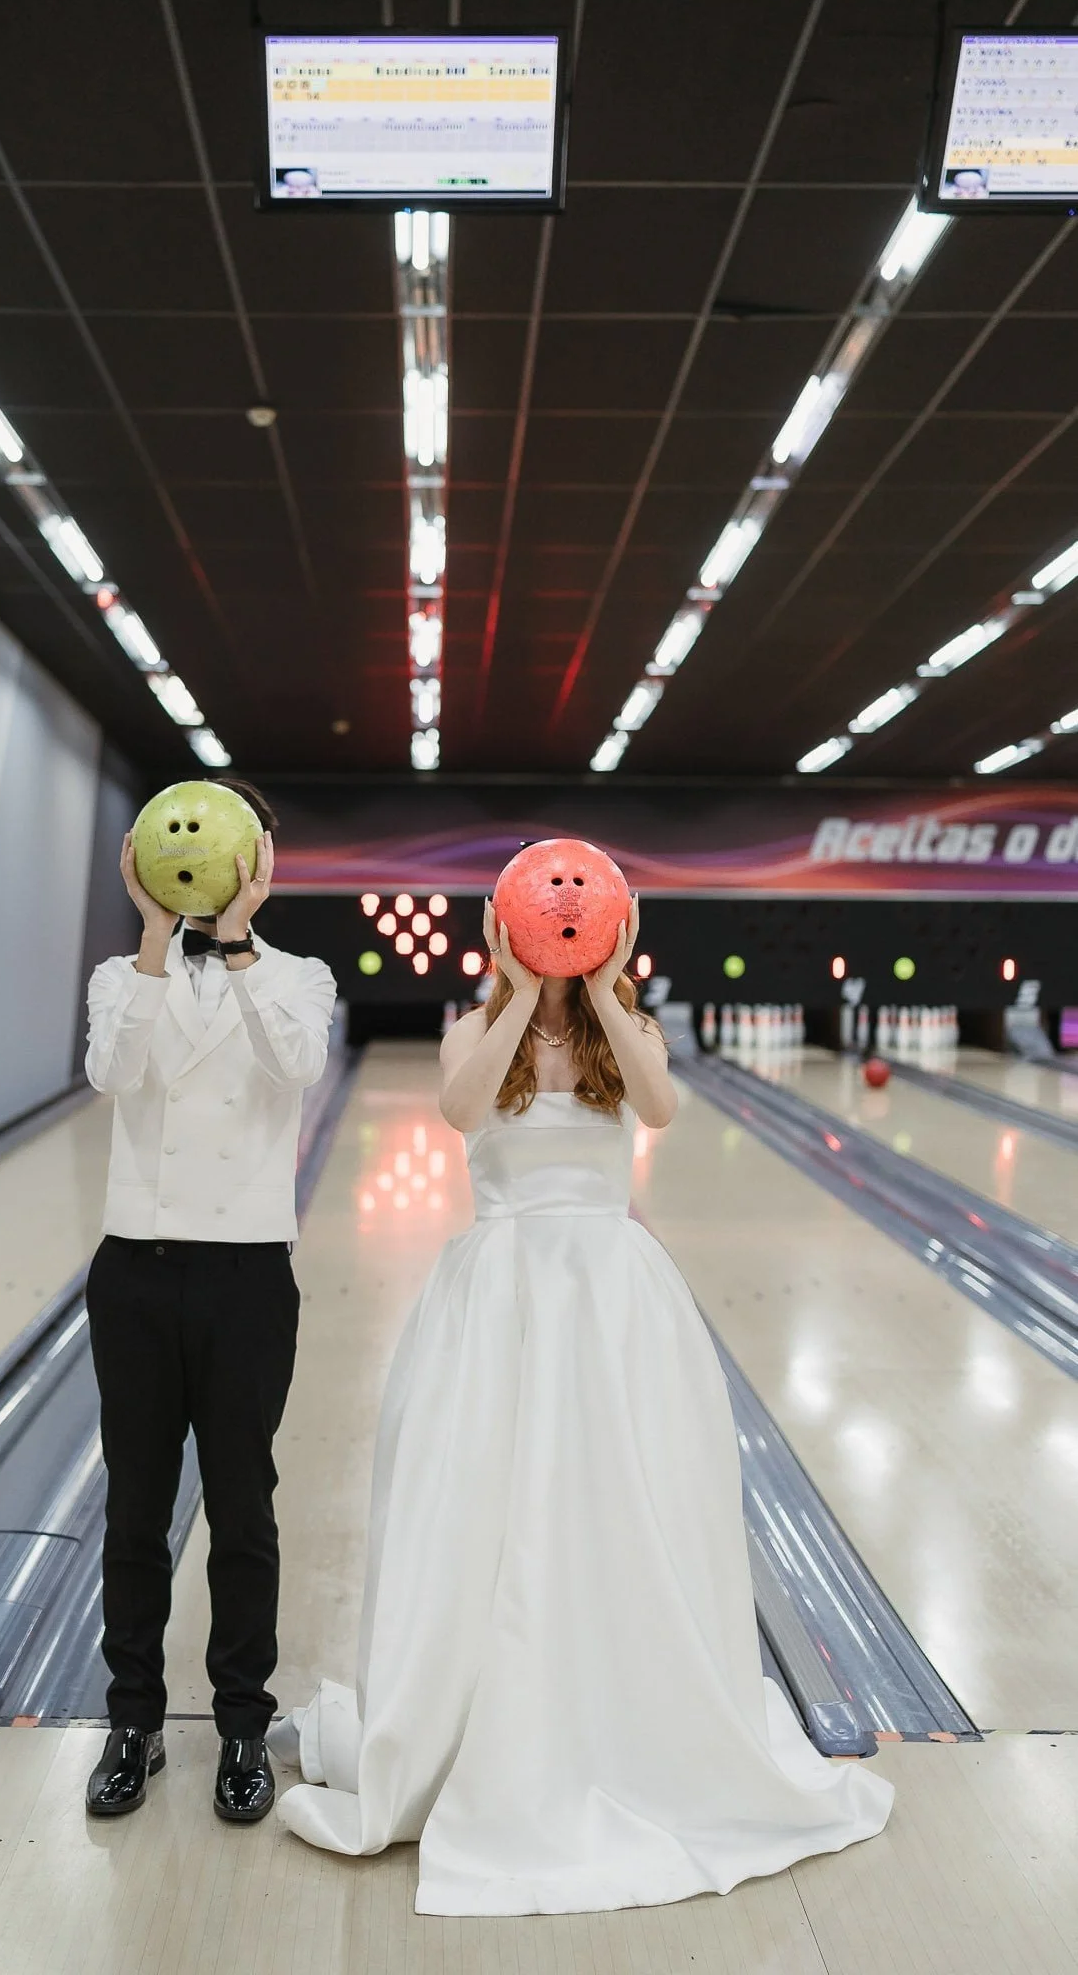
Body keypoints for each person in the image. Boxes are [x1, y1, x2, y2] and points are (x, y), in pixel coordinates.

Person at [274, 891, 893, 1915]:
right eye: (538, 919)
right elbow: (462, 1110)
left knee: (613, 1513)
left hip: (609, 1295)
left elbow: (658, 1107)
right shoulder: (477, 1027)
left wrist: (605, 987)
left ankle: (616, 1718)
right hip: (501, 1296)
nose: (561, 928)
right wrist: (518, 986)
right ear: (503, 933)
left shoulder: (630, 1031)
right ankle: (485, 1726)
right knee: (493, 1518)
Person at [82, 781, 336, 1825]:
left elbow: (299, 1067)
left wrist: (235, 944)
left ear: (259, 860)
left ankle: (241, 1723)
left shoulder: (297, 978)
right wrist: (154, 935)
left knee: (243, 1506)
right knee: (135, 1508)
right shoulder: (118, 975)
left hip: (244, 1276)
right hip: (134, 1269)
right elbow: (113, 1073)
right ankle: (132, 1719)